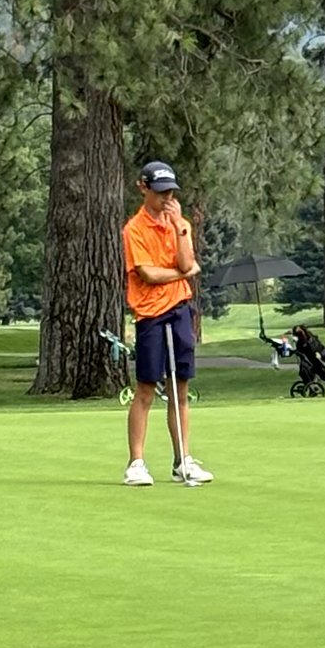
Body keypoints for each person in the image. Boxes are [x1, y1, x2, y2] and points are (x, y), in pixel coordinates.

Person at [122, 158, 213, 486]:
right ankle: (136, 463)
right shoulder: (134, 229)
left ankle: (182, 461)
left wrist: (179, 229)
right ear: (143, 188)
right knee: (146, 388)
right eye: (160, 192)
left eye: (170, 192)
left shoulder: (180, 223)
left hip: (179, 310)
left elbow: (188, 263)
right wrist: (181, 274)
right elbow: (148, 274)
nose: (166, 199)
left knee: (180, 388)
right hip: (150, 314)